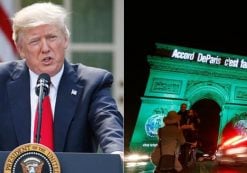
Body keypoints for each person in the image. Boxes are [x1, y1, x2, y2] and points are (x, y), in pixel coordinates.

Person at [0, 2, 123, 157]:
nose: (45, 48)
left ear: (65, 40)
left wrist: (117, 153)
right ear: (20, 49)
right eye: (35, 41)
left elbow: (108, 123)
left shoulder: (92, 83)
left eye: (52, 37)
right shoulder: (2, 79)